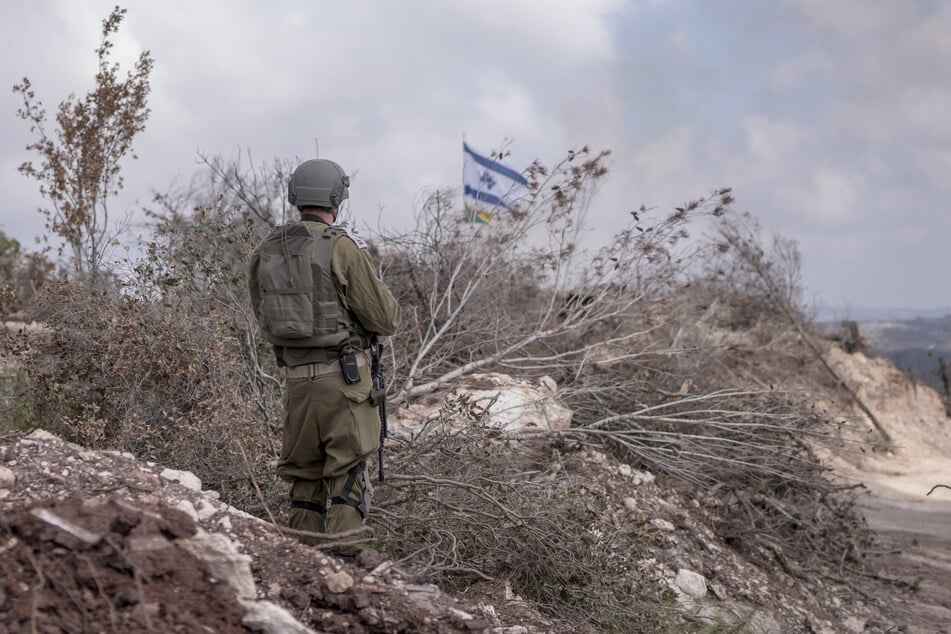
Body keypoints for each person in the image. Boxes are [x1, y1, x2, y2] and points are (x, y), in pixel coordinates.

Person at [248, 158, 401, 550]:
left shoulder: (265, 251)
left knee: (304, 476)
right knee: (348, 470)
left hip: (297, 383)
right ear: (337, 199)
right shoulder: (342, 247)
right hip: (345, 382)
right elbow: (385, 319)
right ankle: (345, 569)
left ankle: (303, 561)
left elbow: (262, 314)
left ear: (295, 197)